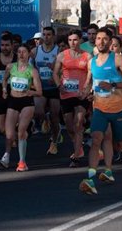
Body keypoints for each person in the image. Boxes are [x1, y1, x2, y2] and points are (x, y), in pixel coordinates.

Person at [79, 27, 122, 195]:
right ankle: (91, 177)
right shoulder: (92, 62)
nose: (100, 41)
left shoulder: (118, 59)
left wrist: (113, 85)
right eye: (98, 39)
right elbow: (92, 82)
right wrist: (87, 93)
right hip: (100, 108)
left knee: (118, 144)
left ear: (110, 41)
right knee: (97, 138)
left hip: (119, 108)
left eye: (104, 39)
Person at [0, 44, 42, 171]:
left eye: (24, 52)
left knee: (21, 131)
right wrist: (4, 90)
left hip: (26, 102)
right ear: (16, 54)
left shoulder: (32, 71)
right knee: (9, 134)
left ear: (29, 54)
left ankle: (22, 162)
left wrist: (31, 92)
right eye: (19, 52)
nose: (22, 54)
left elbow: (40, 92)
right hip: (13, 101)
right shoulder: (10, 67)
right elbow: (4, 80)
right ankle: (6, 156)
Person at [53, 29, 91, 167]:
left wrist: (87, 88)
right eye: (70, 40)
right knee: (69, 126)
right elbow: (55, 73)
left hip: (81, 94)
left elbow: (90, 73)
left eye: (75, 40)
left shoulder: (87, 56)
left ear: (80, 40)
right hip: (66, 94)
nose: (72, 43)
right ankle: (79, 146)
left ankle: (75, 156)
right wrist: (59, 86)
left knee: (78, 122)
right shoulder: (62, 55)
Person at [32, 26, 62, 155]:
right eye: (44, 34)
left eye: (49, 34)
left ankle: (54, 142)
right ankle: (46, 119)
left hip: (54, 88)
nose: (46, 37)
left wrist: (57, 76)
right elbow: (30, 68)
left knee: (55, 116)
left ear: (53, 36)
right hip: (41, 87)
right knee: (38, 111)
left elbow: (64, 69)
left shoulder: (59, 51)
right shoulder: (35, 51)